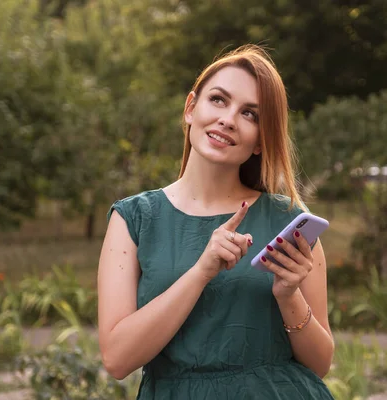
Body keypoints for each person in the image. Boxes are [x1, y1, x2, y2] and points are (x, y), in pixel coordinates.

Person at [97, 44, 335, 399]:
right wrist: (201, 272)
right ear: (191, 108)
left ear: (259, 142)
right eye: (219, 100)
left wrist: (289, 296)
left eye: (250, 114)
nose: (228, 119)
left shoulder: (289, 221)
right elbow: (117, 360)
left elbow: (319, 364)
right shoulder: (133, 219)